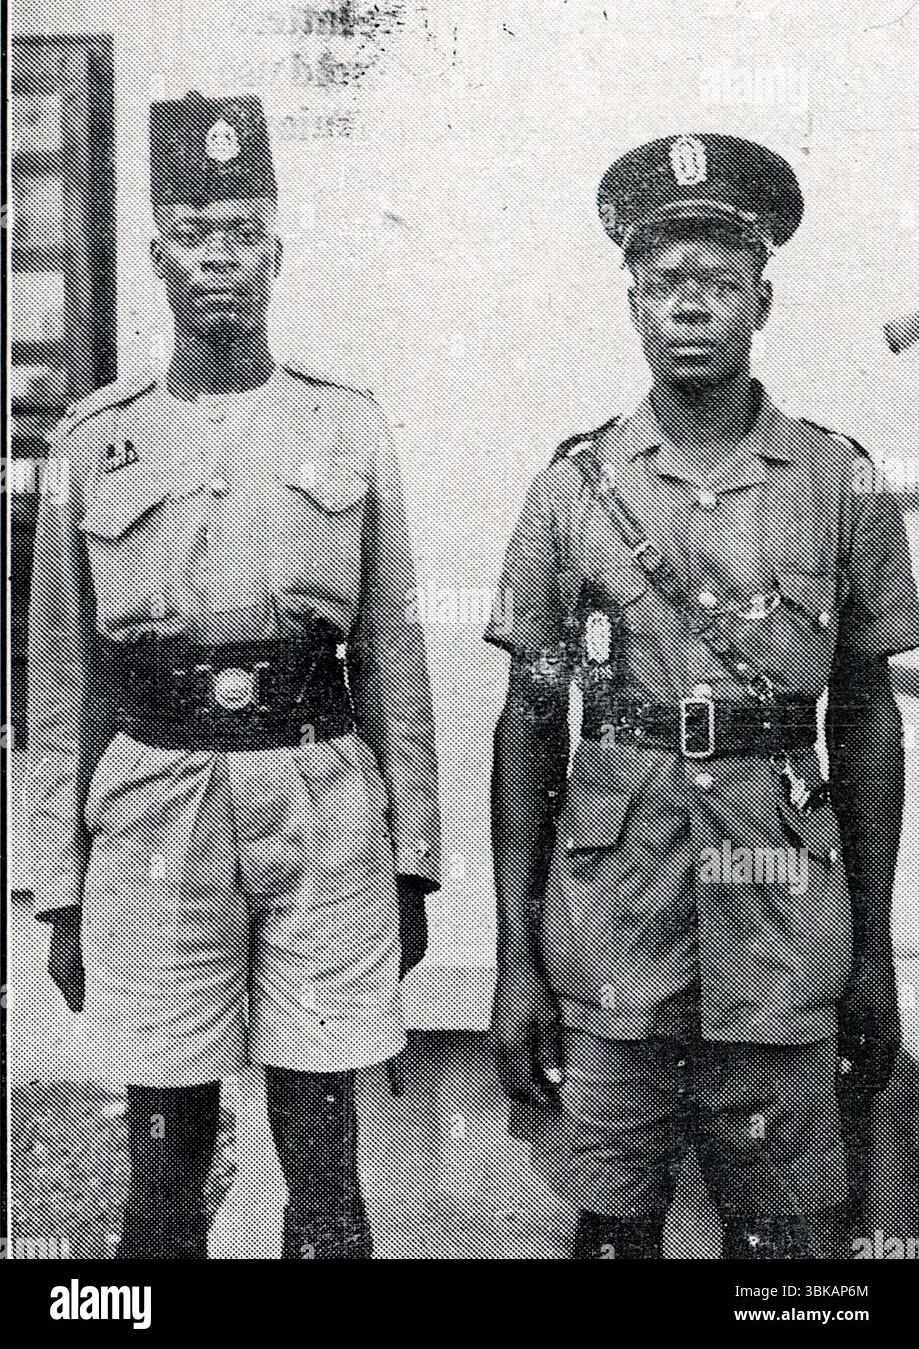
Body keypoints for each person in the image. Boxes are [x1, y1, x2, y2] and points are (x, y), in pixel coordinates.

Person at [485, 133, 919, 1259]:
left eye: (718, 284)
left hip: (782, 932)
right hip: (609, 934)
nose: (691, 307)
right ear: (630, 299)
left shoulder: (839, 480)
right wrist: (514, 963)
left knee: (789, 1249)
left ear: (761, 301)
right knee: (612, 1233)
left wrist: (871, 955)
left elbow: (866, 716)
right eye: (666, 283)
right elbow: (532, 724)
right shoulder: (571, 490)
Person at [26, 90, 440, 1260]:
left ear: (277, 249)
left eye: (244, 230)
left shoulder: (347, 426)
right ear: (156, 256)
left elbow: (395, 657)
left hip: (322, 814)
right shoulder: (94, 441)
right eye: (196, 233)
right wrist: (57, 885)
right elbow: (63, 684)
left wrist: (412, 861)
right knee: (162, 1165)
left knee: (324, 1164)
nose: (221, 255)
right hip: (155, 815)